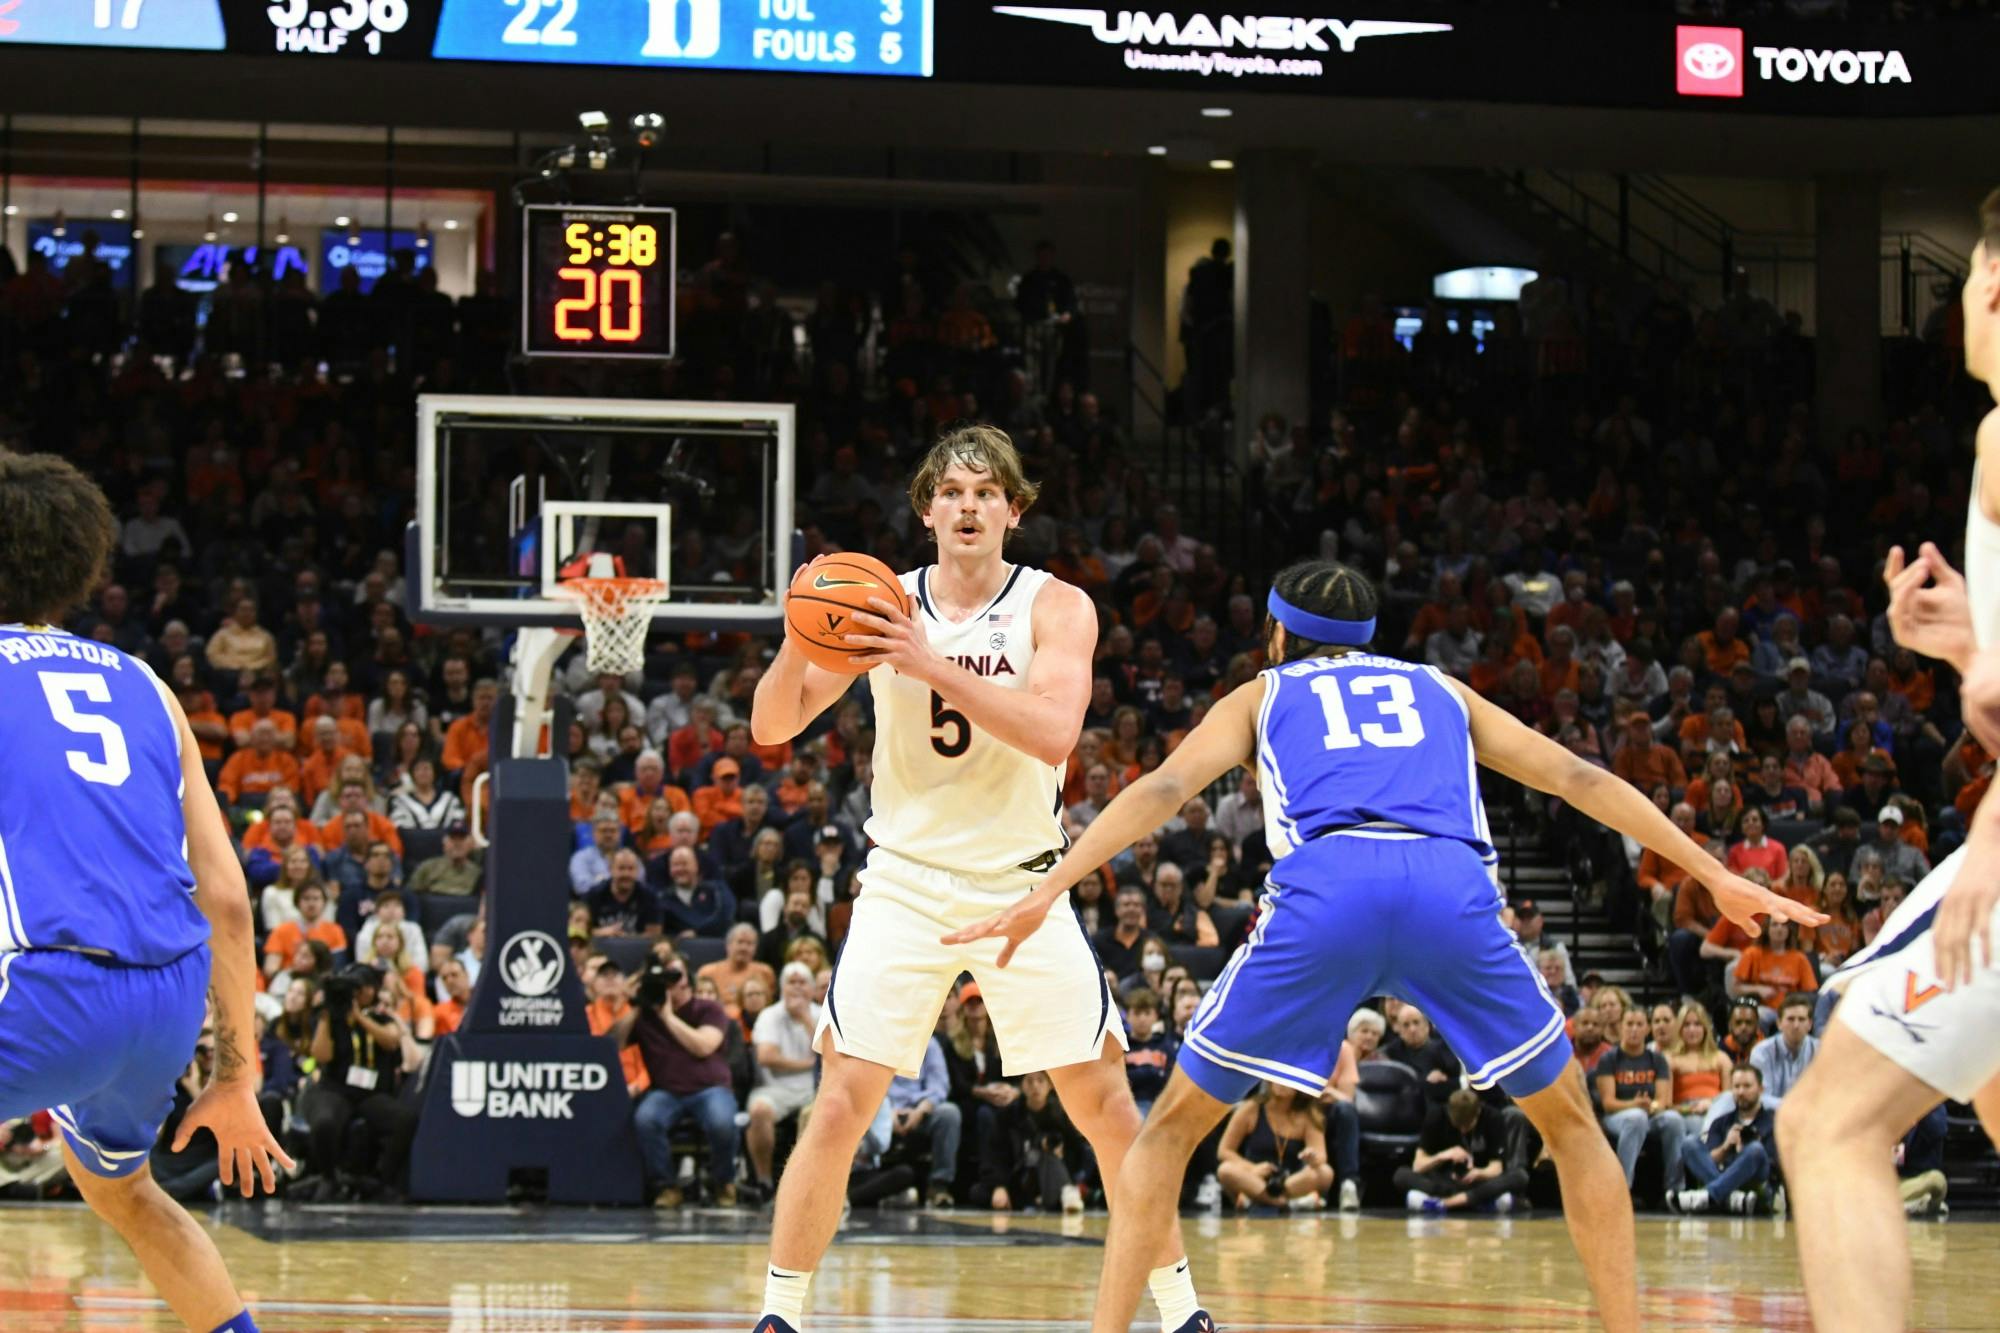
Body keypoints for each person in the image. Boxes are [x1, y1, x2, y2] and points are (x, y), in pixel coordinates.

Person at [947, 557, 1815, 1333]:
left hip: (1329, 892)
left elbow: (1169, 786)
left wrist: (1050, 886)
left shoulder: (1263, 692)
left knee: (1166, 1133)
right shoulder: (1441, 688)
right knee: (1575, 1125)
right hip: (1448, 887)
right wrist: (1712, 871)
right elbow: (1578, 776)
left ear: (1277, 635)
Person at [747, 426, 1202, 1333]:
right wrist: (804, 632)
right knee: (840, 1100)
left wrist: (928, 662)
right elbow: (772, 727)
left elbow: (1053, 734)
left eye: (986, 492)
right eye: (951, 491)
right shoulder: (882, 607)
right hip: (906, 882)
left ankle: (1184, 1312)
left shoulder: (1056, 606)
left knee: (1107, 1106)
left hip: (1021, 885)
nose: (967, 505)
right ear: (926, 511)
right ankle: (780, 1316)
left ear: (1013, 511)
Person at [0, 454, 292, 1333]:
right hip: (163, 1008)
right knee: (123, 1190)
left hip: (45, 988)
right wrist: (236, 1077)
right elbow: (228, 899)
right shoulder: (148, 686)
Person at [746, 963, 820, 1202]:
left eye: (802, 983)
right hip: (776, 1087)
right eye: (791, 982)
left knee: (825, 1112)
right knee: (758, 1110)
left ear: (812, 988)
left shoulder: (823, 1014)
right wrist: (807, 1064)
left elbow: (830, 1056)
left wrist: (806, 1019)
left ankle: (808, 1184)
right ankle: (764, 1182)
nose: (797, 988)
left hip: (814, 1088)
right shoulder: (770, 1015)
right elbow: (766, 1057)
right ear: (781, 988)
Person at [1596, 1008, 1686, 1204]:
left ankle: (1675, 1190)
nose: (1634, 1029)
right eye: (1629, 1024)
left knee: (1674, 1120)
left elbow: (1663, 1100)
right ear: (1621, 1027)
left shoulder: (1657, 1059)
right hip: (1617, 1117)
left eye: (1639, 1025)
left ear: (1647, 1030)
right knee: (1635, 1117)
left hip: (1649, 1115)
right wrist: (1634, 1105)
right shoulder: (1609, 1059)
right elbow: (1608, 1103)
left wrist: (1650, 1106)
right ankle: (1621, 1190)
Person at [1397, 1087, 1527, 1214]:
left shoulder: (1493, 1118)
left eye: (1467, 1125)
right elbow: (1418, 1166)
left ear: (1478, 1112)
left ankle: (1445, 1204)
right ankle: (1475, 1202)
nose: (1463, 1130)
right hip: (1444, 1182)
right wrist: (1444, 1156)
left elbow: (1496, 1168)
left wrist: (1478, 1173)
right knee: (1401, 1174)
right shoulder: (1436, 1116)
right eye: (1458, 1125)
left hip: (1477, 1183)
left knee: (1520, 1176)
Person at [1672, 1065, 1777, 1215]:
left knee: (1755, 1150)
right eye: (1737, 1086)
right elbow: (1707, 1161)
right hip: (1723, 1175)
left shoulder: (1773, 1122)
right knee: (1689, 1143)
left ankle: (1709, 1195)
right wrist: (1726, 1147)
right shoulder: (1721, 1122)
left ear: (1761, 1089)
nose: (1741, 1092)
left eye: (1747, 1086)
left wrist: (1745, 1154)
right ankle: (1730, 1199)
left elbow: (1774, 1166)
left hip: (1757, 1183)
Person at [1215, 1081, 1333, 1211]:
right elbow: (1224, 1151)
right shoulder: (1251, 1108)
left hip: (1291, 1181)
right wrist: (1252, 1168)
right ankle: (1287, 1203)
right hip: (1255, 1178)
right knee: (1225, 1170)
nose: (1281, 1084)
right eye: (1277, 1078)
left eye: (1287, 1080)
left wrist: (1313, 1158)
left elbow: (1321, 1156)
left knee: (1325, 1172)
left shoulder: (1308, 1114)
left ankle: (1258, 1201)